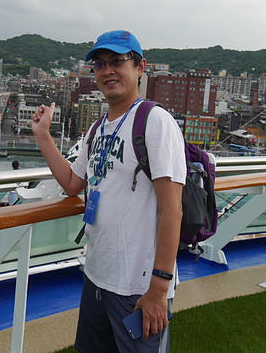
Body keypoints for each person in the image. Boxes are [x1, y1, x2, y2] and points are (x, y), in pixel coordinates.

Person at [31, 30, 185, 353]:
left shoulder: (155, 121)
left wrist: (159, 288)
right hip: (97, 275)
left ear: (140, 67)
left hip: (138, 286)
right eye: (100, 64)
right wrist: (43, 135)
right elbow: (72, 183)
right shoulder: (97, 128)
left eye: (117, 61)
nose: (108, 70)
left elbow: (172, 210)